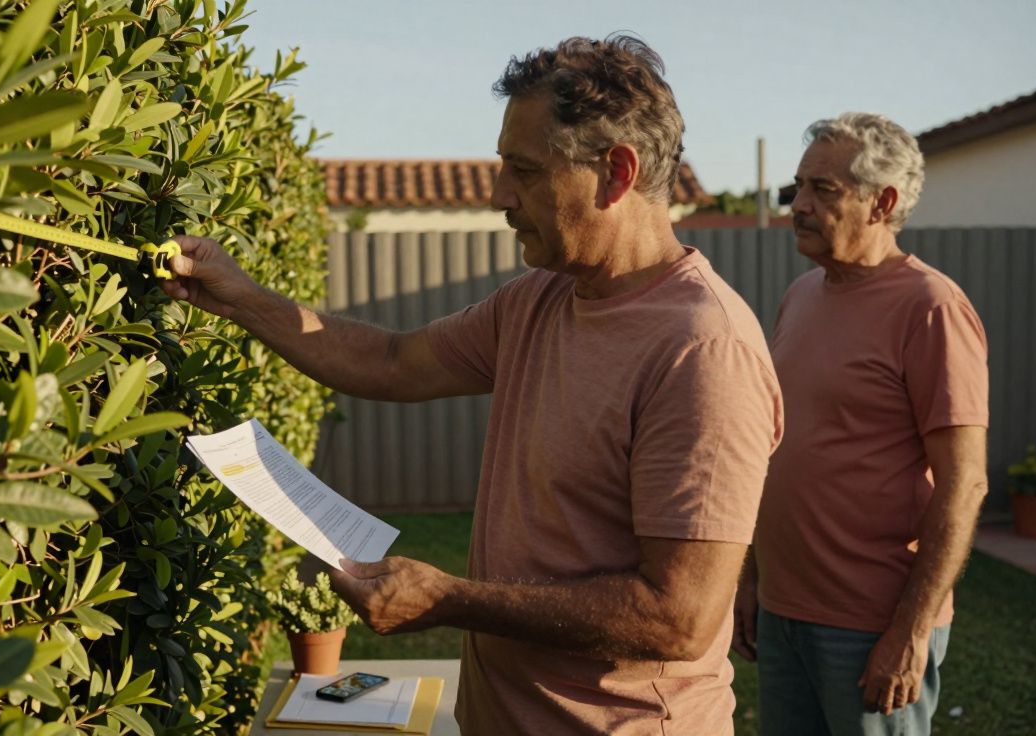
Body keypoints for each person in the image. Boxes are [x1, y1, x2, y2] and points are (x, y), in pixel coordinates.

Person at [165, 36, 782, 735]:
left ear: (615, 173)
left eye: (522, 171)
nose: (499, 197)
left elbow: (677, 619)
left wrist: (453, 600)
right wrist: (241, 298)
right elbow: (394, 361)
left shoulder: (702, 349)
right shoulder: (540, 300)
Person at [732, 113, 989, 736]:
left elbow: (964, 484)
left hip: (871, 623)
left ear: (884, 202)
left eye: (824, 190)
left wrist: (910, 630)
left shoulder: (932, 308)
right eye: (797, 188)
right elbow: (776, 451)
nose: (800, 205)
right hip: (784, 609)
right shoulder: (800, 296)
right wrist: (750, 580)